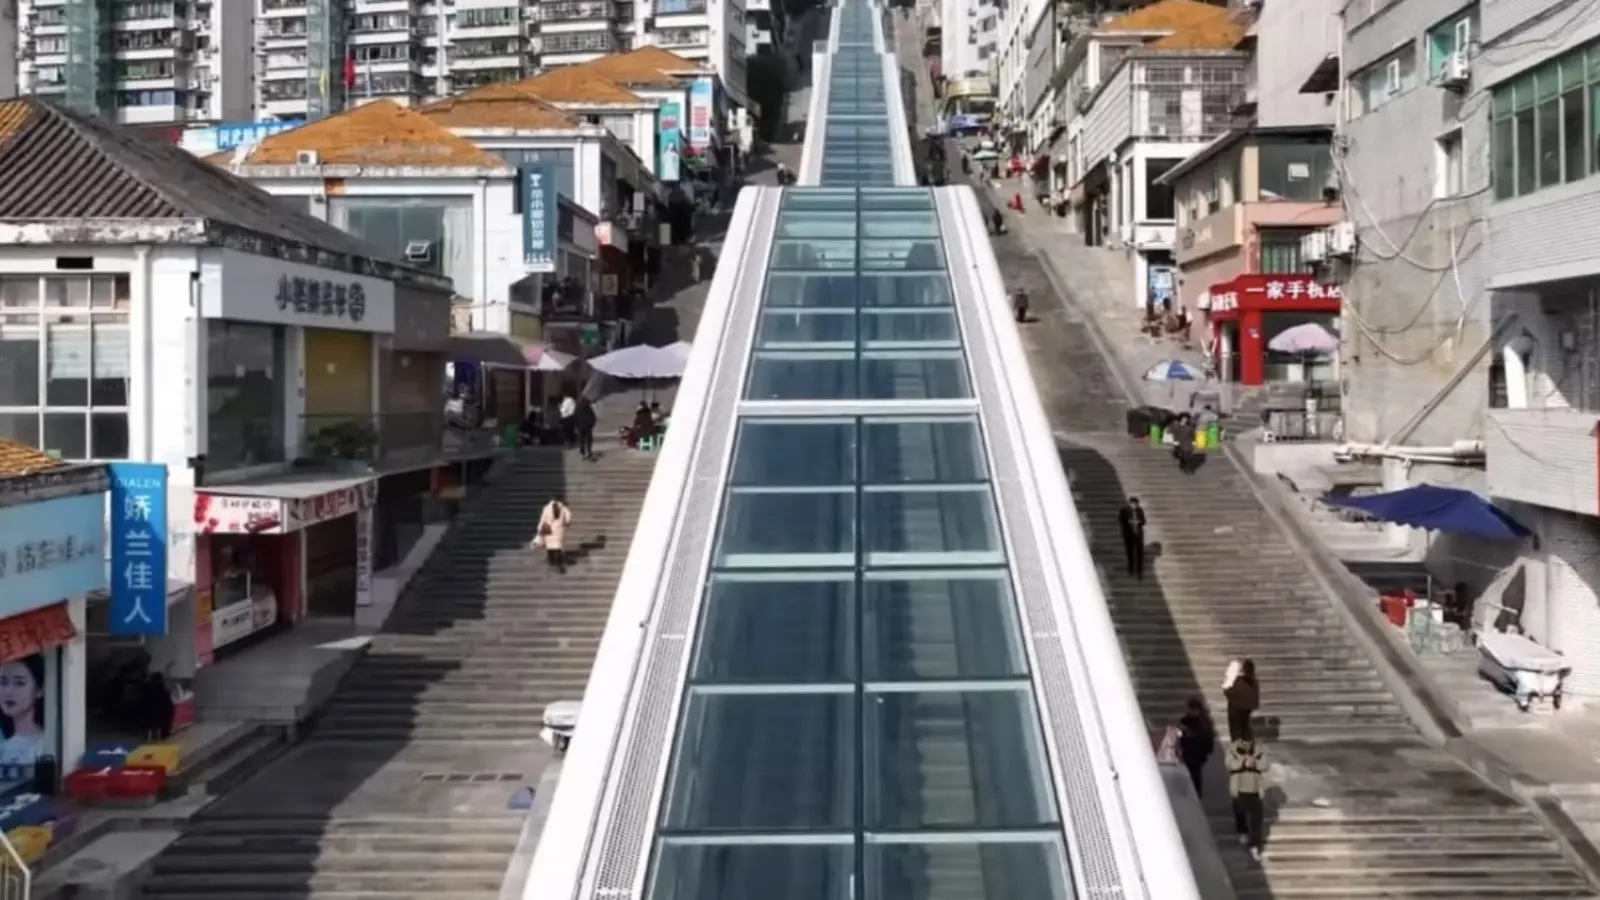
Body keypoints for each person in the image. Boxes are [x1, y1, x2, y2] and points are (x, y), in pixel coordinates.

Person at [0, 656, 47, 778]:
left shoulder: (45, 745)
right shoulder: (4, 744)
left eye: (19, 683)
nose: (8, 691)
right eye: (3, 682)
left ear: (39, 690)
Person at [1227, 737, 1269, 859]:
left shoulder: (1259, 751)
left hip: (1255, 790)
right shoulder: (1233, 751)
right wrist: (1243, 763)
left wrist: (1254, 763)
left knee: (1256, 820)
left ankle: (1255, 845)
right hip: (1239, 789)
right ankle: (1242, 831)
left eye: (1249, 743)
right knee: (1240, 814)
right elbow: (1229, 765)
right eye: (1244, 743)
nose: (1247, 746)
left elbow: (1265, 766)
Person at [1177, 696, 1216, 797]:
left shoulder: (1204, 721)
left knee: (1195, 774)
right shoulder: (1185, 720)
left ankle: (1196, 793)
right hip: (1188, 750)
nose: (1191, 711)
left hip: (1197, 751)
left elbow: (1207, 736)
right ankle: (1190, 792)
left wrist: (1190, 733)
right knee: (1189, 773)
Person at [1223, 658, 1259, 741]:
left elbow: (1229, 692)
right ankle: (1247, 743)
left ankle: (1238, 744)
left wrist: (1226, 691)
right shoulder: (1254, 681)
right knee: (1245, 726)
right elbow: (1255, 695)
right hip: (1247, 708)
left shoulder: (1239, 680)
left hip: (1236, 707)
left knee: (1236, 728)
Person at [536, 496, 572, 574]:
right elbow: (568, 519)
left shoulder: (547, 508)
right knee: (557, 547)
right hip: (558, 530)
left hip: (548, 530)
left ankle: (551, 560)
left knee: (550, 546)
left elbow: (543, 519)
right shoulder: (563, 508)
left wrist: (540, 528)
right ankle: (558, 564)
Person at [1118, 497, 1146, 580]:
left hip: (1138, 534)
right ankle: (1131, 568)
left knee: (1139, 553)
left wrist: (1138, 521)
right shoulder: (1124, 510)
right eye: (1132, 504)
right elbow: (1121, 520)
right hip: (1129, 534)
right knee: (1130, 552)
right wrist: (1129, 522)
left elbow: (1144, 521)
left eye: (1135, 504)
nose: (1134, 506)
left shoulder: (1139, 510)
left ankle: (1139, 571)